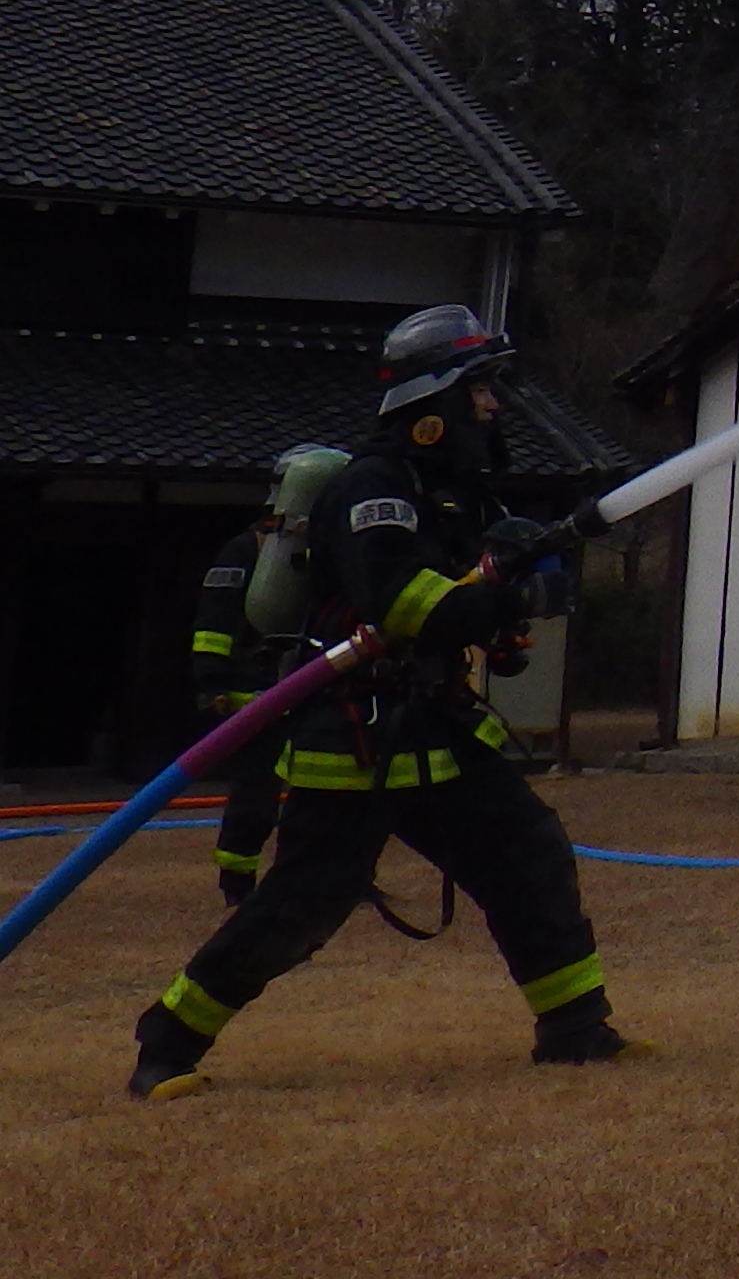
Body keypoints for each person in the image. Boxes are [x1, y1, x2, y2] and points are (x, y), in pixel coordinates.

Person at [128, 307, 627, 1100]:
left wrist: (517, 593)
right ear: (435, 404)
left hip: (437, 724)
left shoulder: (458, 495)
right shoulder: (374, 488)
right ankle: (167, 1043)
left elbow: (476, 593)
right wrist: (509, 598)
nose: (495, 406)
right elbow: (402, 604)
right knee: (302, 905)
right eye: (482, 389)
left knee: (528, 860)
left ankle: (575, 1028)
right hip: (356, 731)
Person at [183, 523, 302, 909]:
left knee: (326, 796)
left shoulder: (328, 544)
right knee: (255, 795)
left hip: (310, 692)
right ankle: (237, 882)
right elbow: (214, 622)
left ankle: (321, 878)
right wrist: (211, 682)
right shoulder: (245, 550)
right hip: (255, 697)